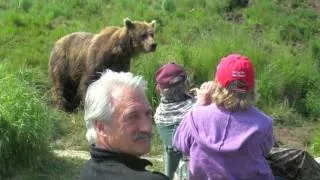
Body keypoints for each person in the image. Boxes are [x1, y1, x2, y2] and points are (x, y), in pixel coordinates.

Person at [173, 53, 275, 180]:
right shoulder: (264, 124)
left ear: (217, 84)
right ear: (252, 87)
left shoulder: (195, 117)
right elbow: (265, 151)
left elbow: (180, 144)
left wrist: (200, 105)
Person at [79, 70, 169, 180]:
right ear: (101, 127)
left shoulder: (90, 169)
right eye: (132, 117)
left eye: (148, 114)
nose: (147, 127)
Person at [154, 62, 213, 179]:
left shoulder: (160, 115)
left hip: (175, 164)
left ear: (160, 89)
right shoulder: (196, 109)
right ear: (185, 83)